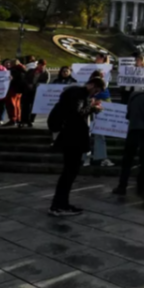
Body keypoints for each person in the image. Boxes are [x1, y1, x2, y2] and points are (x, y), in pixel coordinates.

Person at [48, 77, 106, 215]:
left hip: (71, 136)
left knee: (69, 172)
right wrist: (92, 108)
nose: (95, 94)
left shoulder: (76, 93)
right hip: (72, 137)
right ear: (91, 85)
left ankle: (62, 204)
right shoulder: (78, 94)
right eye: (96, 90)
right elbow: (75, 113)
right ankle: (58, 206)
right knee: (69, 172)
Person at [84, 71, 115, 168]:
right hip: (89, 115)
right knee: (90, 136)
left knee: (97, 136)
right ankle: (88, 158)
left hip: (98, 115)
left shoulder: (102, 89)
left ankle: (95, 158)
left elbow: (108, 101)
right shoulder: (87, 89)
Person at [21, 58, 49, 128]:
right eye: (40, 64)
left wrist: (36, 85)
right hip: (28, 91)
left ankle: (31, 120)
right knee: (25, 106)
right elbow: (25, 79)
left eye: (42, 65)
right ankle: (24, 120)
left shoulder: (45, 73)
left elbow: (45, 83)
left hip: (37, 92)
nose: (41, 66)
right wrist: (28, 84)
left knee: (34, 107)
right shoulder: (31, 71)